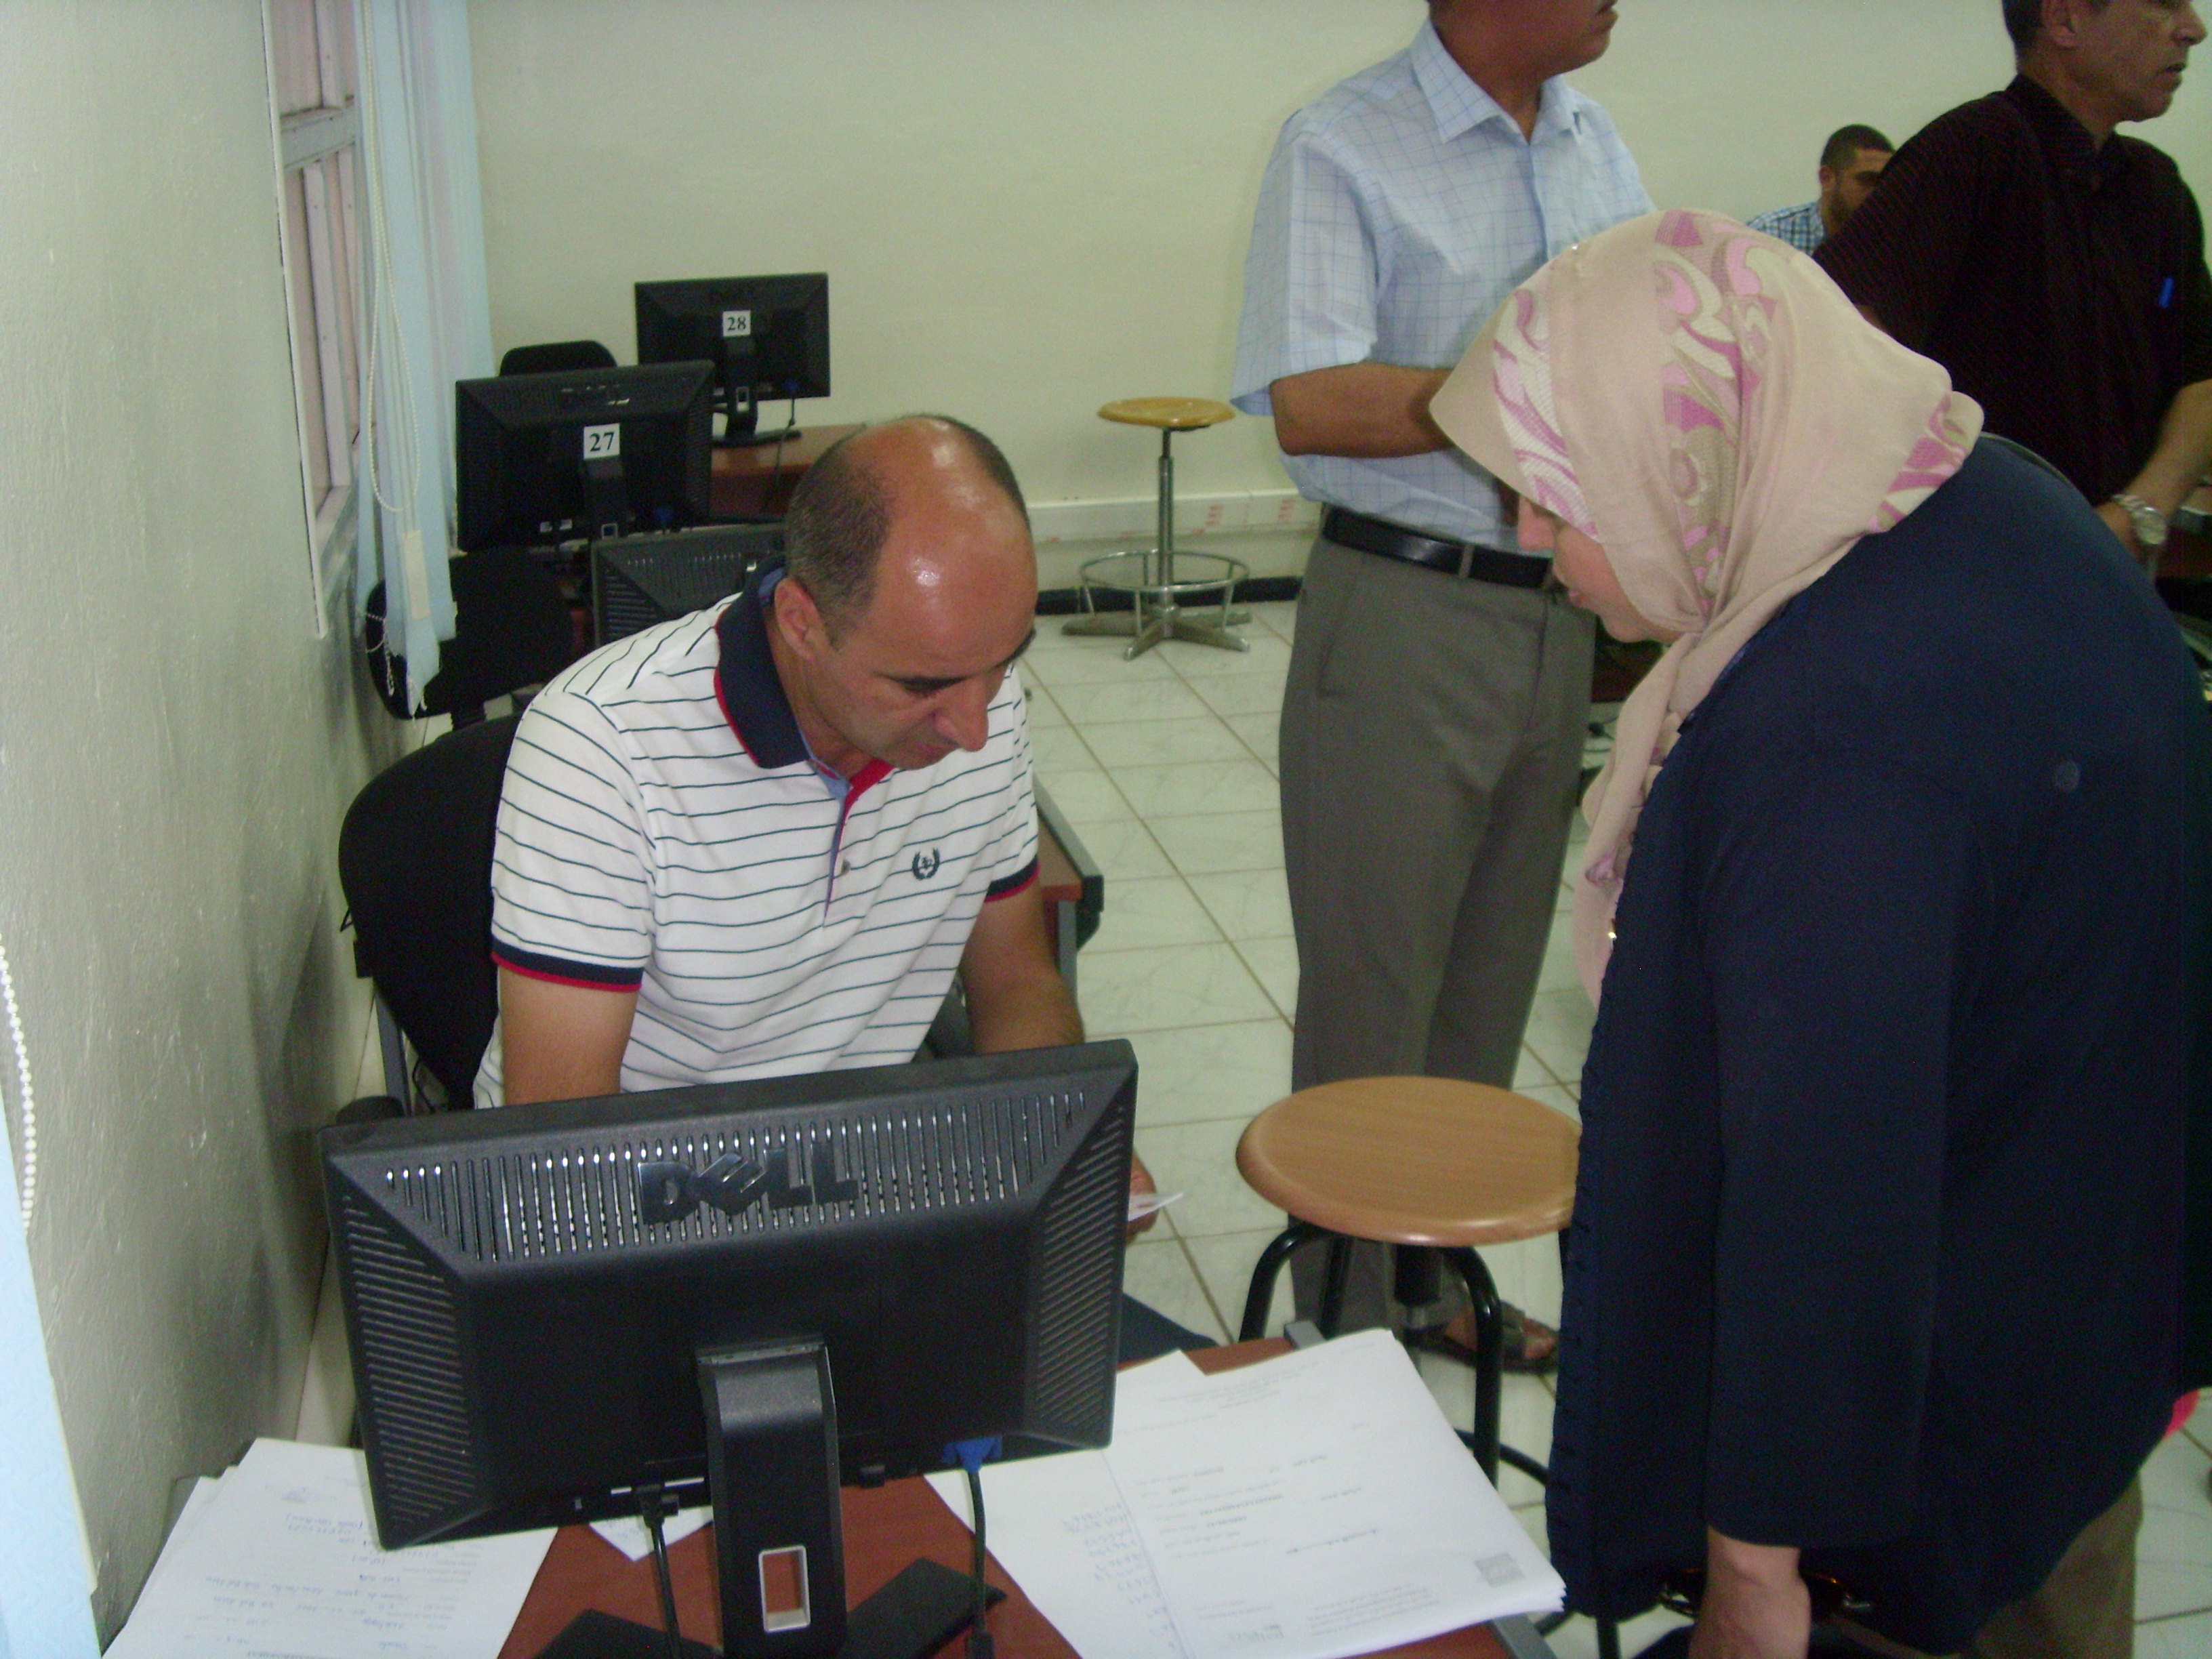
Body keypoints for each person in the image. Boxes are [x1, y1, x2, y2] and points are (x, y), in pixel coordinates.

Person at [1429, 209, 2208, 1659]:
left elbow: (1827, 1193)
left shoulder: (1828, 736)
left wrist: (1756, 1568)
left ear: (1682, 458)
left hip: (1923, 1458)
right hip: (2077, 1343)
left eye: (1548, 494)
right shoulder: (1989, 496)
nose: (1526, 540)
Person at [478, 415, 1187, 1351]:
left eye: (1006, 661)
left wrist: (1064, 1138)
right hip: (648, 1228)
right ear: (802, 624)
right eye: (923, 685)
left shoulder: (978, 702)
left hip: (873, 1197)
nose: (975, 726)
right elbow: (562, 1135)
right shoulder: (599, 749)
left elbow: (1017, 980)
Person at [1230, 0, 1650, 1360]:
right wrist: (1517, 387)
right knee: (1375, 991)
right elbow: (1311, 399)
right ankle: (1345, 1327)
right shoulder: (1344, 143)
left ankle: (1435, 1287)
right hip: (1406, 607)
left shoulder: (1594, 145)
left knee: (1488, 984)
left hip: (1558, 613)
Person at [1816, 0, 2212, 565]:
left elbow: (2200, 380)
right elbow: (1837, 348)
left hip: (2116, 566)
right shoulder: (1970, 152)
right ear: (2065, 20)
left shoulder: (2158, 190)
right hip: (1978, 571)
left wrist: (2136, 514)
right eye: (2165, 3)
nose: (2193, 29)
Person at [1743, 123, 1893, 252]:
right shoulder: (1768, 235)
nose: (1878, 193)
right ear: (1826, 178)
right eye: (1867, 180)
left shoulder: (1894, 242)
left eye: (1885, 183)